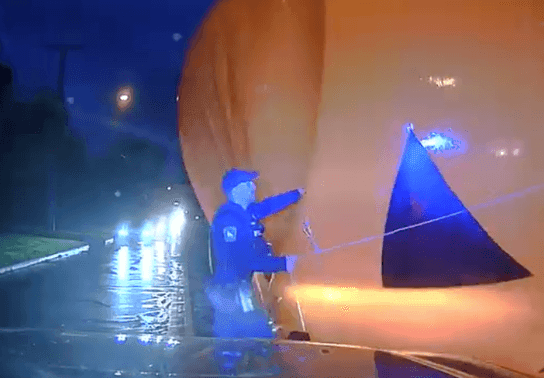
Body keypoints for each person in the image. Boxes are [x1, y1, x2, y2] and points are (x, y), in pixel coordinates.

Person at [206, 167, 304, 375]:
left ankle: (236, 368)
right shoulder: (228, 221)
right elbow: (244, 260)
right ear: (236, 190)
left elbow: (268, 206)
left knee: (236, 340)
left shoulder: (244, 213)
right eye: (248, 184)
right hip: (230, 291)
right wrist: (283, 263)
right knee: (257, 337)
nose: (253, 187)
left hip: (237, 289)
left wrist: (296, 194)